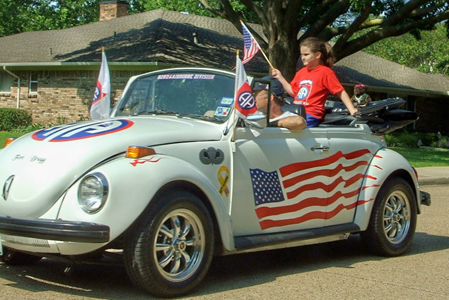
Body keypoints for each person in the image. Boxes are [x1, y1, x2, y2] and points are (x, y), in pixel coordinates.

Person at [272, 37, 358, 127]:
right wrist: (280, 77)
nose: (302, 58)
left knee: (287, 125)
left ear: (317, 55)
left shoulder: (325, 72)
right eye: (301, 55)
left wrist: (352, 109)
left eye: (306, 54)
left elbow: (340, 91)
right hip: (295, 110)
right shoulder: (301, 72)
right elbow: (293, 92)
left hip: (311, 114)